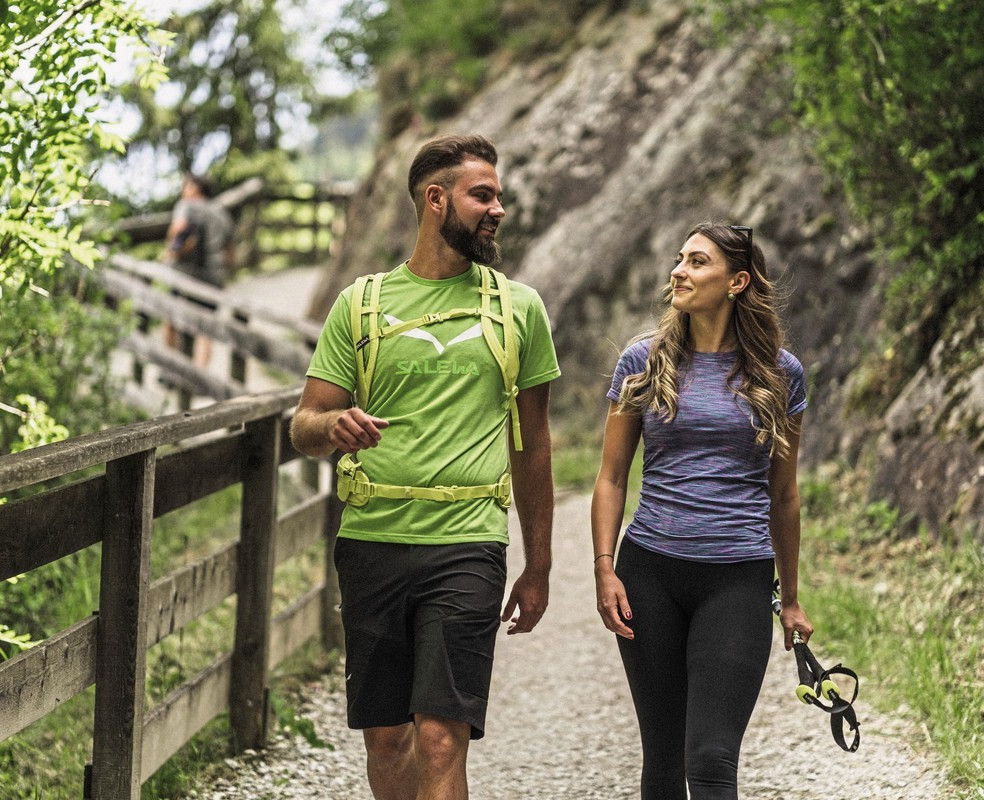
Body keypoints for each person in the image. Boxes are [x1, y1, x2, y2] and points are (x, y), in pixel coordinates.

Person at [290, 133, 560, 800]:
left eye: (499, 195)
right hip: (372, 541)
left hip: (468, 544)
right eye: (483, 195)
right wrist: (333, 425)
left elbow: (534, 446)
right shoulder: (361, 304)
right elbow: (303, 425)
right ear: (436, 200)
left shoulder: (518, 309)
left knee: (442, 738)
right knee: (387, 743)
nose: (499, 208)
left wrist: (540, 566)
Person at [591, 222, 814, 800]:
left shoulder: (779, 374)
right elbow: (612, 476)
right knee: (663, 761)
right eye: (679, 259)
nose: (678, 271)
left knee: (713, 762)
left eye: (696, 262)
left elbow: (784, 494)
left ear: (736, 281)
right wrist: (604, 567)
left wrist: (789, 598)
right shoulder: (643, 362)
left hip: (737, 580)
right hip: (650, 573)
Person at [161, 174, 234, 367]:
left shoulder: (186, 206)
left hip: (185, 275)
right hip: (214, 276)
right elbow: (229, 251)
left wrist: (170, 251)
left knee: (172, 320)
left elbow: (179, 230)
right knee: (205, 328)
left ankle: (170, 369)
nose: (183, 190)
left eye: (186, 186)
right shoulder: (222, 212)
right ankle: (200, 375)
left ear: (195, 188)